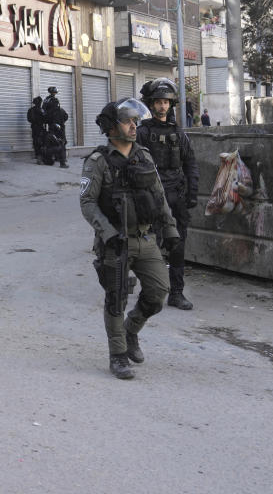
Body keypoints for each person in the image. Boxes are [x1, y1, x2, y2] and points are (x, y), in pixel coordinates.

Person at [80, 98, 180, 380]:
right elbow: (87, 203)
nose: (134, 126)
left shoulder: (144, 156)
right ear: (112, 128)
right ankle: (118, 355)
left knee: (159, 293)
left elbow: (159, 197)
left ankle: (131, 329)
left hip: (146, 238)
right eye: (127, 121)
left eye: (135, 121)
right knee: (116, 298)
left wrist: (170, 231)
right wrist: (107, 233)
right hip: (116, 242)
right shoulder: (97, 161)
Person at [137, 78, 200, 310]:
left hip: (175, 197)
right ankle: (150, 292)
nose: (162, 106)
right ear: (151, 105)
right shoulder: (142, 133)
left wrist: (192, 192)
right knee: (148, 247)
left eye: (166, 102)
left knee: (177, 246)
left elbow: (191, 163)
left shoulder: (178, 133)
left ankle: (176, 293)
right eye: (158, 102)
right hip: (151, 198)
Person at [27, 96, 45, 164]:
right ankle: (39, 157)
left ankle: (39, 156)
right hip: (39, 127)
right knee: (39, 142)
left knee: (37, 142)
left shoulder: (31, 110)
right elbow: (45, 118)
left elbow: (29, 119)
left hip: (36, 127)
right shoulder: (40, 110)